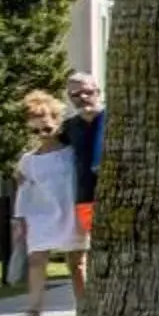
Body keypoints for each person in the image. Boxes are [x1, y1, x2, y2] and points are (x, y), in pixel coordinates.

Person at [13, 91, 81, 316]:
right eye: (35, 131)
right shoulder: (28, 160)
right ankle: (34, 309)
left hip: (70, 210)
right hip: (41, 214)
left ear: (57, 123)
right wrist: (19, 219)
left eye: (46, 129)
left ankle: (84, 307)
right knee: (36, 260)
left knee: (77, 262)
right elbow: (24, 191)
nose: (41, 135)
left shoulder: (71, 153)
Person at [56, 72, 105, 296]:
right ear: (70, 97)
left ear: (98, 92)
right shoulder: (69, 127)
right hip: (85, 198)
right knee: (80, 257)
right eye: (76, 93)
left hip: (117, 196)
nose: (83, 97)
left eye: (88, 91)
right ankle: (85, 307)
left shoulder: (114, 119)